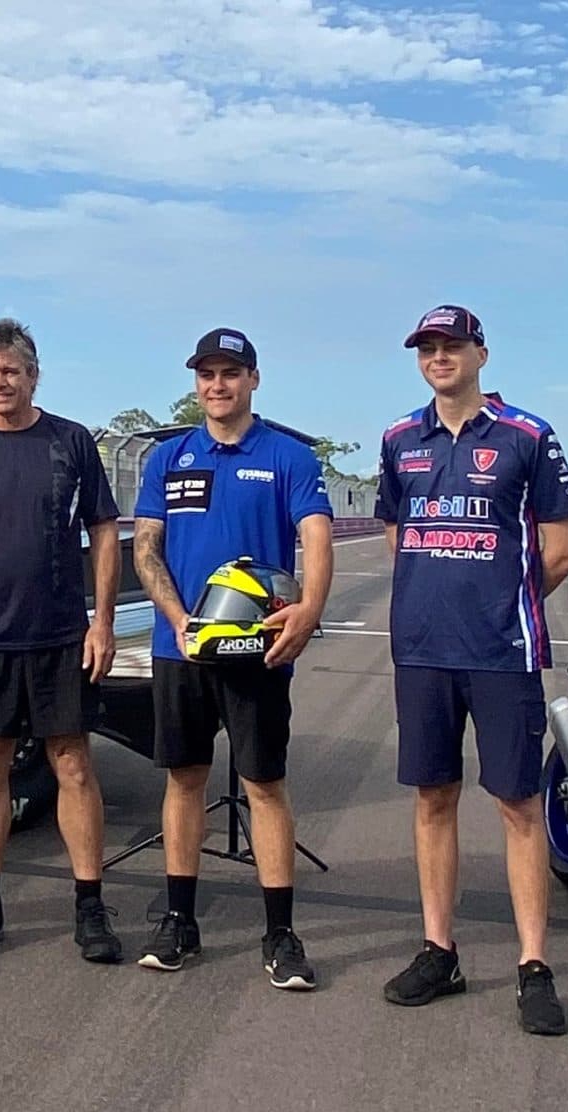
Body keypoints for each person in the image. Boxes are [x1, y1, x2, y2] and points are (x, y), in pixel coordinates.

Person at [371, 304, 568, 1034]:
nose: (439, 357)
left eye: (452, 345)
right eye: (427, 348)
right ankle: (440, 950)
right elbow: (398, 533)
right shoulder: (399, 438)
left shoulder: (528, 435)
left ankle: (534, 965)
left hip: (501, 652)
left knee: (518, 804)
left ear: (481, 354)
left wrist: (503, 600)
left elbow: (564, 549)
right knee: (433, 798)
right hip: (422, 650)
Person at [130, 327, 333, 989]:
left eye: (230, 373)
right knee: (184, 779)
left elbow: (316, 537)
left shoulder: (288, 457)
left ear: (253, 380)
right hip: (182, 649)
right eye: (207, 374)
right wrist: (179, 619)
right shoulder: (169, 457)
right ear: (197, 383)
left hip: (258, 650)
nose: (217, 385)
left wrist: (309, 609)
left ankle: (280, 934)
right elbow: (146, 547)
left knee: (264, 785)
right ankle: (179, 921)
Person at [0, 318, 125, 963]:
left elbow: (103, 530)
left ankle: (90, 905)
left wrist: (102, 622)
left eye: (10, 371)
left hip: (61, 635)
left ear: (33, 376)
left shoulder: (70, 442)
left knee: (73, 764)